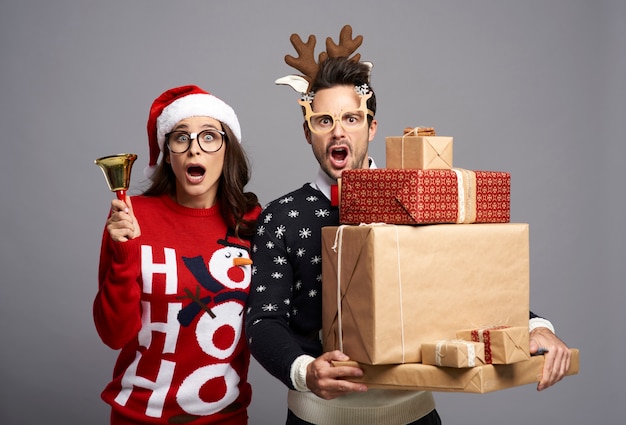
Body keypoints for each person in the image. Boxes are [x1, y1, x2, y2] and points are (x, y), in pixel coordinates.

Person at [244, 27, 572, 425]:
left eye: (351, 118)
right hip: (318, 418)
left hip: (413, 416)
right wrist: (303, 371)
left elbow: (469, 278)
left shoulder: (416, 197)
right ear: (307, 132)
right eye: (324, 120)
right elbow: (264, 320)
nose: (338, 131)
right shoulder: (281, 218)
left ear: (372, 128)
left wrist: (535, 326)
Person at [94, 85, 261, 425]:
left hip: (223, 418)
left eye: (209, 137)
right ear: (168, 154)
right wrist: (125, 255)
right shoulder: (130, 216)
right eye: (181, 138)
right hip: (137, 416)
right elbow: (113, 334)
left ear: (228, 150)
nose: (194, 149)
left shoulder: (252, 223)